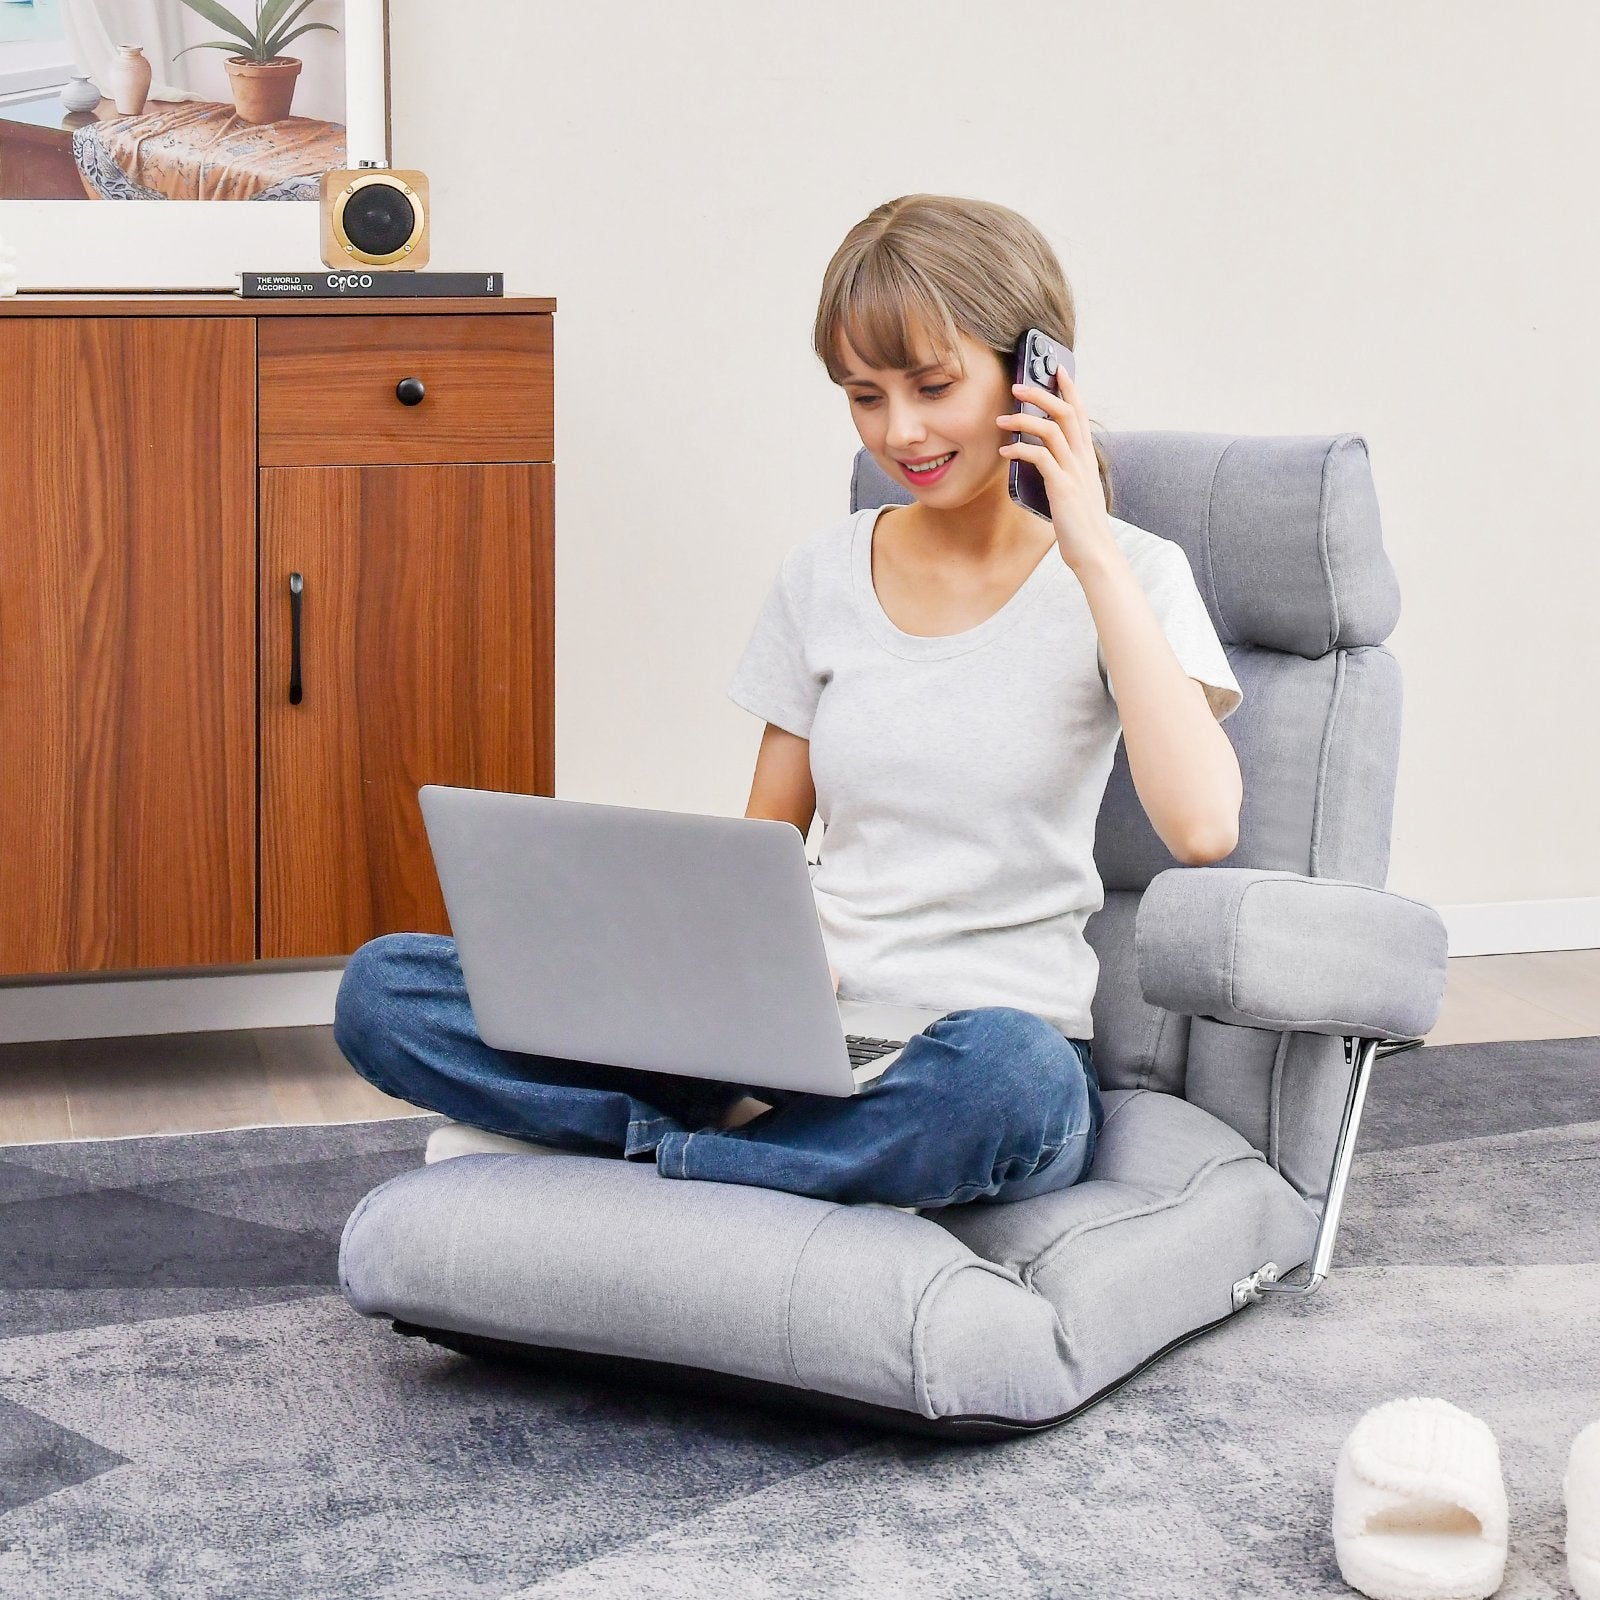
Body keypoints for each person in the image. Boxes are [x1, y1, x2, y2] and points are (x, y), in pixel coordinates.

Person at [332, 192, 1244, 1214]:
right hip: (781, 1043)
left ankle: (661, 1161)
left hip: (968, 1052)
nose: (899, 430)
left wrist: (1088, 549)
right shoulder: (822, 576)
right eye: (863, 396)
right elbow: (761, 849)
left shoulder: (1131, 575)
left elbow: (1202, 825)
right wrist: (732, 987)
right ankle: (766, 1154)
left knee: (1009, 1084)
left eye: (933, 386)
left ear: (1037, 372)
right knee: (386, 990)